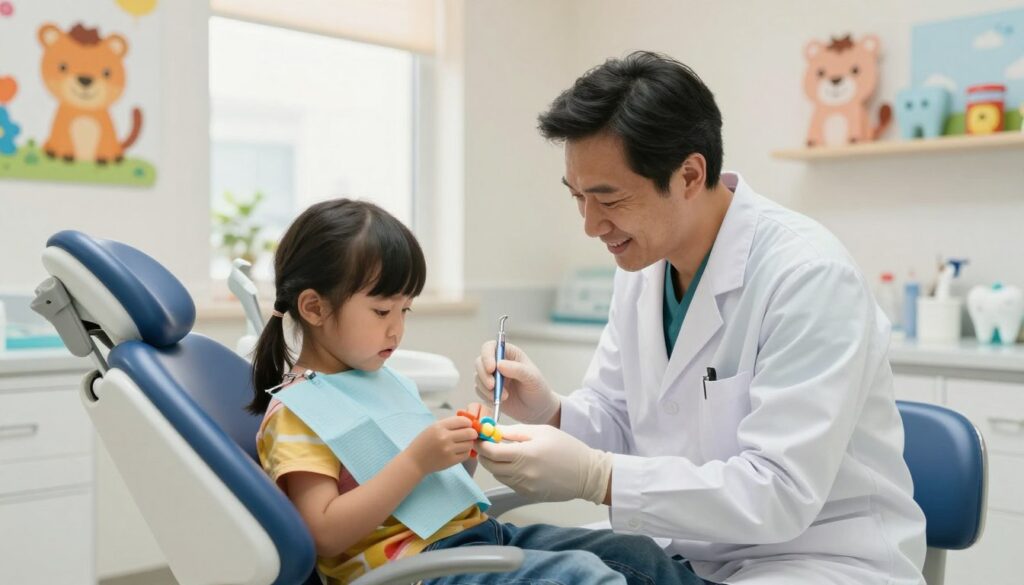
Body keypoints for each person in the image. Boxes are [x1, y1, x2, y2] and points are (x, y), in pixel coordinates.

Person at [473, 51, 927, 585]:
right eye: (578, 198)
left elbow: (778, 493)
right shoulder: (642, 264)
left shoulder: (808, 276)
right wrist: (550, 412)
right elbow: (623, 420)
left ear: (689, 174)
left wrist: (600, 478)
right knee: (505, 557)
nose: (592, 226)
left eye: (609, 199)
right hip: (691, 549)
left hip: (813, 560)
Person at [249, 198, 716, 585]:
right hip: (414, 572)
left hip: (474, 540)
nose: (396, 330)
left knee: (632, 555)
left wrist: (461, 453)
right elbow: (325, 534)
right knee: (580, 577)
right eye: (381, 311)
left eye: (405, 311)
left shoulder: (379, 380)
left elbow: (421, 488)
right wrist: (417, 460)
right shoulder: (297, 414)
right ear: (313, 307)